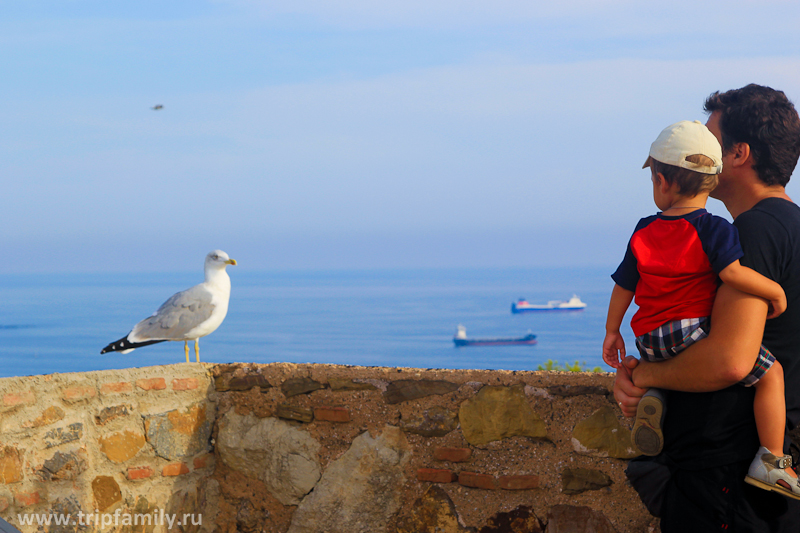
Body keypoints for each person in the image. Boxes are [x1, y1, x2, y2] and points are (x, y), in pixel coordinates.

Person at [614, 84, 800, 531]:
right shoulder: (790, 226)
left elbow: (730, 361)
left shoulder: (751, 234)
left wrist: (645, 375)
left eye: (707, 138)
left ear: (738, 154)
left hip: (728, 477)